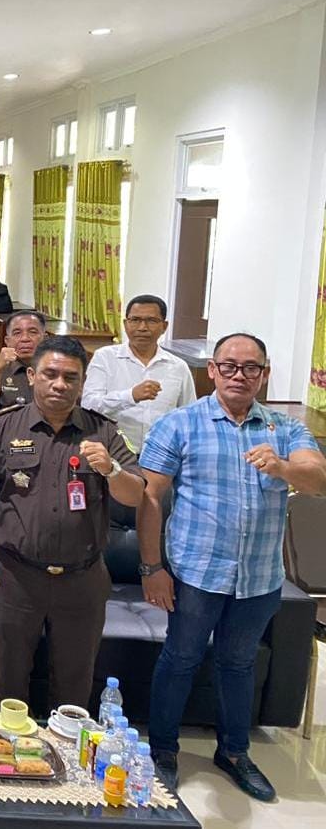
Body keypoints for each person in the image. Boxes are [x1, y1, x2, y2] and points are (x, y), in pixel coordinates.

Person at [137, 333, 326, 800]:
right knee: (180, 659)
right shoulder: (179, 424)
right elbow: (149, 497)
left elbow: (318, 480)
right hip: (197, 573)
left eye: (251, 368)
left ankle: (235, 752)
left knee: (239, 664)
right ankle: (163, 750)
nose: (239, 375)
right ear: (213, 371)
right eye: (229, 366)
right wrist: (151, 567)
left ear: (264, 374)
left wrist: (283, 468)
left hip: (259, 579)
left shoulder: (284, 429)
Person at [0, 336, 144, 709]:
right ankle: (11, 746)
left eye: (70, 377)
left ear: (82, 383)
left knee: (74, 685)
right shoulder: (3, 427)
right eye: (50, 374)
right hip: (16, 575)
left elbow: (135, 495)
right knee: (9, 679)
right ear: (32, 376)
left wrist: (111, 469)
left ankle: (66, 745)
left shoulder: (103, 432)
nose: (60, 384)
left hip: (82, 579)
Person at [82, 295, 196, 452]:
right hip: (114, 453)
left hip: (163, 454)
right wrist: (130, 396)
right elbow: (88, 407)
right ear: (125, 324)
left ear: (164, 326)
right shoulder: (105, 358)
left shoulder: (178, 367)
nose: (142, 327)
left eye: (151, 321)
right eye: (135, 320)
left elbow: (190, 417)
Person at [0, 311, 46, 419]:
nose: (25, 339)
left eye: (32, 332)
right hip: (9, 428)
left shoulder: (56, 371)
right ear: (7, 341)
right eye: (17, 333)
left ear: (45, 338)